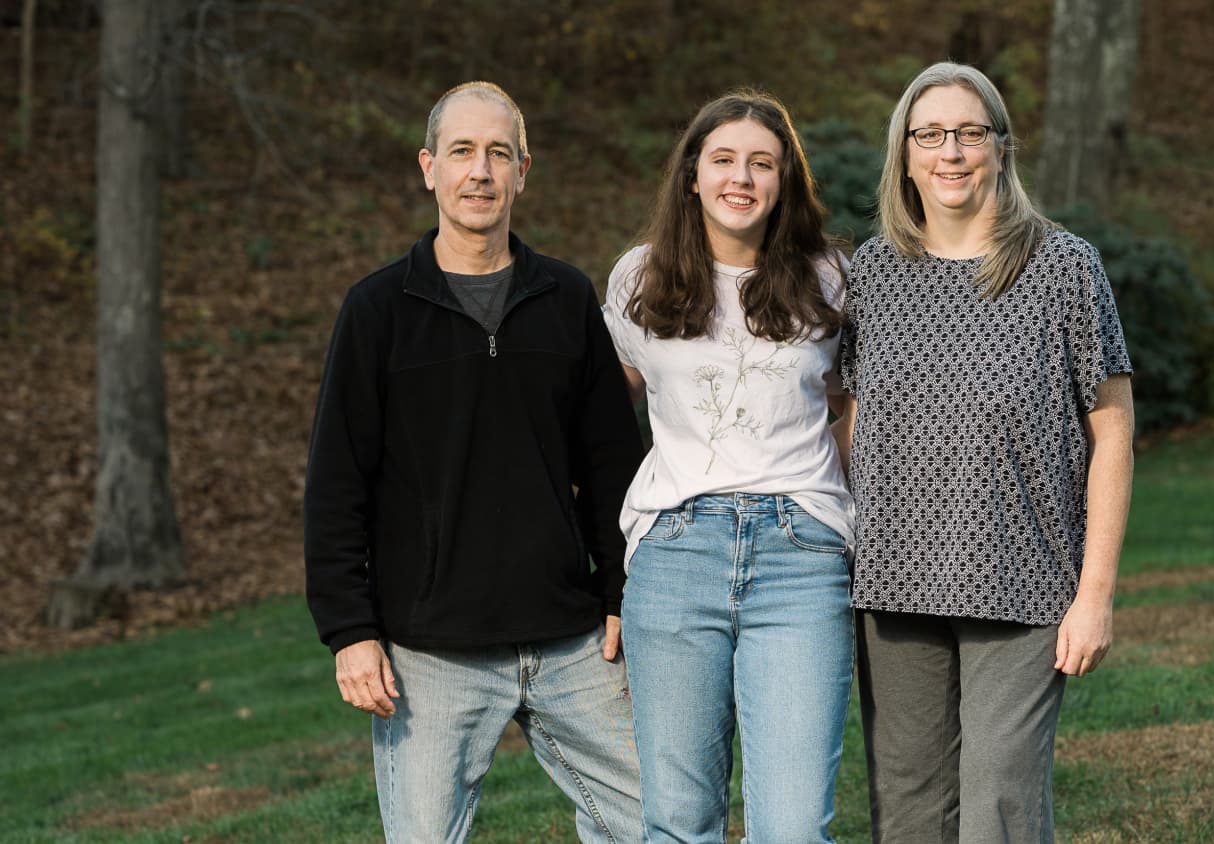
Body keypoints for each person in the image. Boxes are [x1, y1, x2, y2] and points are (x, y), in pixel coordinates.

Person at [303, 81, 645, 844]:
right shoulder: (377, 310)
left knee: (665, 823)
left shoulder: (565, 299)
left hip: (570, 640)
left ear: (525, 170)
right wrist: (349, 629)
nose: (480, 171)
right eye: (462, 152)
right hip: (431, 654)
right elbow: (335, 485)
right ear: (429, 168)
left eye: (498, 153)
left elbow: (616, 464)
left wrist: (622, 592)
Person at [833, 62, 1135, 844]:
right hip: (894, 585)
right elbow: (853, 423)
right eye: (930, 135)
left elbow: (1113, 434)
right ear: (904, 155)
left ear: (1003, 147)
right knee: (906, 809)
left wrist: (1095, 593)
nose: (951, 153)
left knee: (998, 800)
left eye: (971, 133)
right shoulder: (872, 272)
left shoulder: (1065, 268)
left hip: (1025, 580)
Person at [601, 91, 854, 843]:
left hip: (802, 560)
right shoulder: (637, 280)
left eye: (761, 163)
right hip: (674, 555)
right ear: (692, 175)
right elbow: (605, 423)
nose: (740, 177)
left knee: (795, 828)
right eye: (723, 160)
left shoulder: (828, 279)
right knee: (679, 821)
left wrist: (824, 495)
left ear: (783, 183)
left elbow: (851, 404)